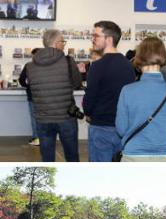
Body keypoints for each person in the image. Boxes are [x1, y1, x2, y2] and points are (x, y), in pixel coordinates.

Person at [115, 37, 166, 162]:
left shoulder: (127, 91)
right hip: (163, 156)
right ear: (163, 56)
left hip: (133, 155)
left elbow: (121, 129)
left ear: (139, 57)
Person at [25, 29, 82, 162]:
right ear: (56, 44)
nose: (64, 44)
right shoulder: (68, 61)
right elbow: (76, 83)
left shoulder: (30, 66)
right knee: (72, 157)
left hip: (43, 118)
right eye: (63, 41)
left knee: (47, 159)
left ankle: (47, 182)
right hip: (66, 117)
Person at [83, 21, 135, 162]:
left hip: (101, 128)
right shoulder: (128, 65)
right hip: (123, 128)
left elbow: (89, 100)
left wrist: (87, 111)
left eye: (96, 36)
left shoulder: (97, 66)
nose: (93, 39)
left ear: (109, 39)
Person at [18, 48, 40, 146]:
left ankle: (37, 138)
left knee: (34, 117)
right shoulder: (48, 65)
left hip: (33, 95)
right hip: (46, 97)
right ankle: (45, 138)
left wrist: (28, 86)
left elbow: (21, 80)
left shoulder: (29, 66)